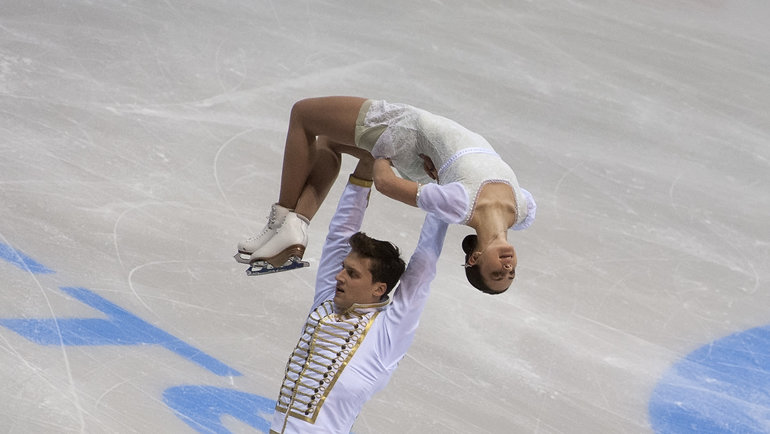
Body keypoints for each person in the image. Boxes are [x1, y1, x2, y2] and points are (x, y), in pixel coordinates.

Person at [238, 97, 535, 294]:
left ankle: (281, 221)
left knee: (303, 115)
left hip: (406, 133)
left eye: (497, 274)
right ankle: (296, 225)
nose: (507, 268)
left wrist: (383, 152)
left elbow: (386, 183)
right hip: (424, 152)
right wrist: (443, 171)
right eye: (510, 275)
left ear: (475, 259)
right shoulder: (523, 212)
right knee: (329, 142)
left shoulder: (457, 206)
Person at [269, 156, 448, 433]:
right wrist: (366, 167)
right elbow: (340, 235)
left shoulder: (387, 333)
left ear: (379, 289)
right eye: (344, 269)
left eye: (353, 274)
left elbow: (422, 271)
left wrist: (439, 195)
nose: (339, 277)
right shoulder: (327, 302)